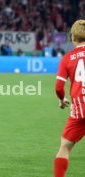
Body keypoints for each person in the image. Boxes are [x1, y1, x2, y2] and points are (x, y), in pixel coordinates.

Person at [54, 19, 85, 177]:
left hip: (79, 110)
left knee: (64, 147)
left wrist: (62, 99)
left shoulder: (67, 58)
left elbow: (59, 88)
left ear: (73, 37)